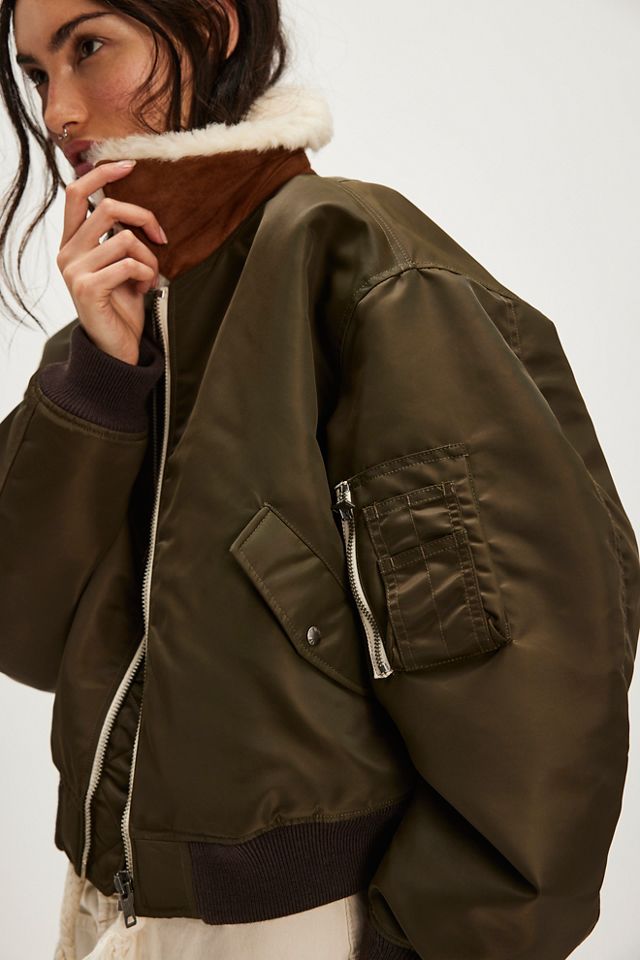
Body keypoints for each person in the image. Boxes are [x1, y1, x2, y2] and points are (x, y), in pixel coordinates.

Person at [1, 1, 638, 959]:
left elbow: (539, 676)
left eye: (89, 47)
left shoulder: (357, 262)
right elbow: (22, 630)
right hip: (111, 910)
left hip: (310, 925)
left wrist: (430, 947)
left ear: (212, 24)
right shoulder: (122, 325)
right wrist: (98, 379)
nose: (58, 111)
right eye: (37, 73)